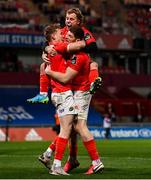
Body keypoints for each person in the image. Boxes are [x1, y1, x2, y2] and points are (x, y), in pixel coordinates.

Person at [45, 25, 104, 175]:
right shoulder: (69, 50)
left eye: (69, 37)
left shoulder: (79, 56)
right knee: (70, 128)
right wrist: (46, 50)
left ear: (77, 40)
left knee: (78, 126)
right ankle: (63, 158)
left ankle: (94, 162)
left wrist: (49, 71)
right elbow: (52, 46)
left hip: (80, 92)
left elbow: (65, 78)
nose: (65, 37)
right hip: (69, 93)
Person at [27, 8, 101, 104]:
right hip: (65, 60)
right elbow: (47, 41)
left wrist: (74, 48)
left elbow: (93, 47)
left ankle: (93, 85)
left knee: (94, 64)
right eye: (67, 18)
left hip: (78, 60)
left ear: (78, 21)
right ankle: (43, 95)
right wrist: (45, 49)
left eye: (71, 19)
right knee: (43, 66)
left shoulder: (83, 32)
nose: (68, 21)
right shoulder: (62, 30)